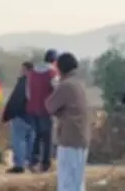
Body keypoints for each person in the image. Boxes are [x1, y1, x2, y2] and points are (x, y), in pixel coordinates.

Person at [45, 52, 90, 191]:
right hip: (80, 137)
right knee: (77, 182)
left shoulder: (66, 85)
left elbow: (49, 106)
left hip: (70, 139)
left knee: (67, 182)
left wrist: (54, 86)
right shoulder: (78, 84)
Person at [27, 49, 59, 173]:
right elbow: (57, 90)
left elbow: (28, 92)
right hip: (46, 109)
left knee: (37, 135)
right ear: (55, 61)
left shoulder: (33, 72)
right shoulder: (52, 73)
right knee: (48, 137)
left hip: (33, 108)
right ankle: (46, 164)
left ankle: (33, 161)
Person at [2, 61, 34, 174]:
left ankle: (19, 165)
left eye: (22, 69)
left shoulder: (23, 82)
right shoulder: (38, 82)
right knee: (31, 141)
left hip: (21, 115)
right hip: (34, 117)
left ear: (26, 70)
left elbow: (15, 99)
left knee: (19, 140)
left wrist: (7, 115)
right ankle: (31, 163)